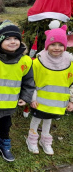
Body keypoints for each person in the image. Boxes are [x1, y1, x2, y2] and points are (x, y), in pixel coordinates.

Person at [0, 20, 35, 163]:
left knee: (5, 126)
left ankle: (5, 145)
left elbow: (28, 82)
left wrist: (26, 97)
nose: (13, 42)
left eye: (16, 38)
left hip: (10, 104)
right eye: (8, 39)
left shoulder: (25, 61)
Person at [26, 25, 73, 155]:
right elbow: (32, 82)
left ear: (65, 46)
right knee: (36, 120)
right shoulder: (38, 62)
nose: (57, 48)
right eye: (53, 44)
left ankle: (45, 140)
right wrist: (32, 99)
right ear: (47, 46)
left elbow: (71, 84)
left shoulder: (70, 63)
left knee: (48, 120)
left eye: (60, 44)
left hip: (57, 103)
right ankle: (32, 139)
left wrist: (71, 101)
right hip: (39, 101)